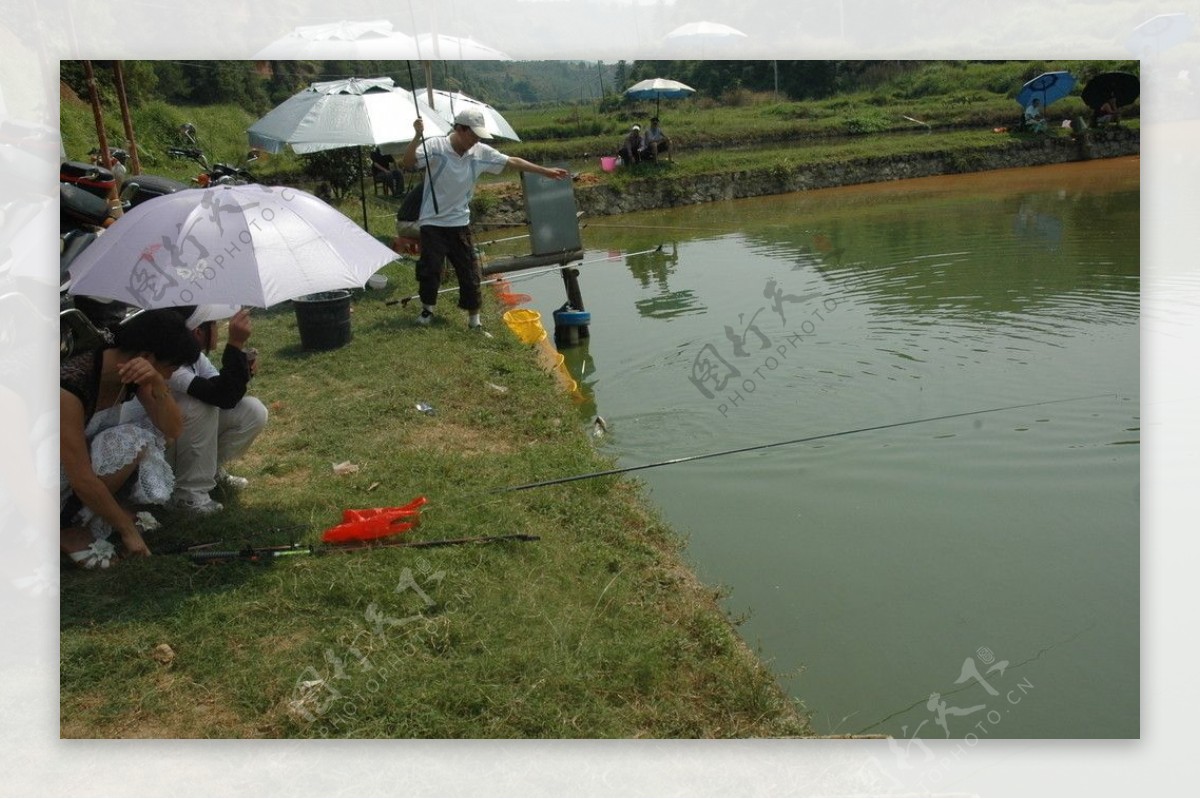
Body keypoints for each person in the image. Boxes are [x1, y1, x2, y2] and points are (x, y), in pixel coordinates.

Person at [401, 107, 570, 331]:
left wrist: (544, 171)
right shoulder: (436, 146)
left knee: (470, 272)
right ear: (460, 129)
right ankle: (427, 310)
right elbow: (407, 163)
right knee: (430, 269)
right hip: (433, 222)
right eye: (473, 134)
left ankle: (475, 322)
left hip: (460, 222)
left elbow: (512, 161)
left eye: (479, 136)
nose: (476, 140)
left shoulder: (480, 152)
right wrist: (416, 136)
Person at [60, 309, 200, 568]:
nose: (171, 375)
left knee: (144, 435)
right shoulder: (70, 386)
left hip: (73, 467)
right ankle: (64, 527)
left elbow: (172, 429)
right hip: (36, 474)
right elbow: (79, 476)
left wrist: (158, 384)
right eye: (169, 368)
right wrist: (127, 531)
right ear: (146, 356)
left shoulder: (132, 375)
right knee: (128, 439)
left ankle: (88, 517)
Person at [162, 306, 269, 515]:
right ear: (198, 332)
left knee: (253, 411)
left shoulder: (194, 357)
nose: (218, 329)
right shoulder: (171, 366)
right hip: (162, 452)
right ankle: (188, 495)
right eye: (213, 324)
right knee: (199, 405)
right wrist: (235, 344)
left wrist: (243, 369)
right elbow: (219, 396)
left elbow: (224, 392)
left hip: (181, 440)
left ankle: (208, 471)